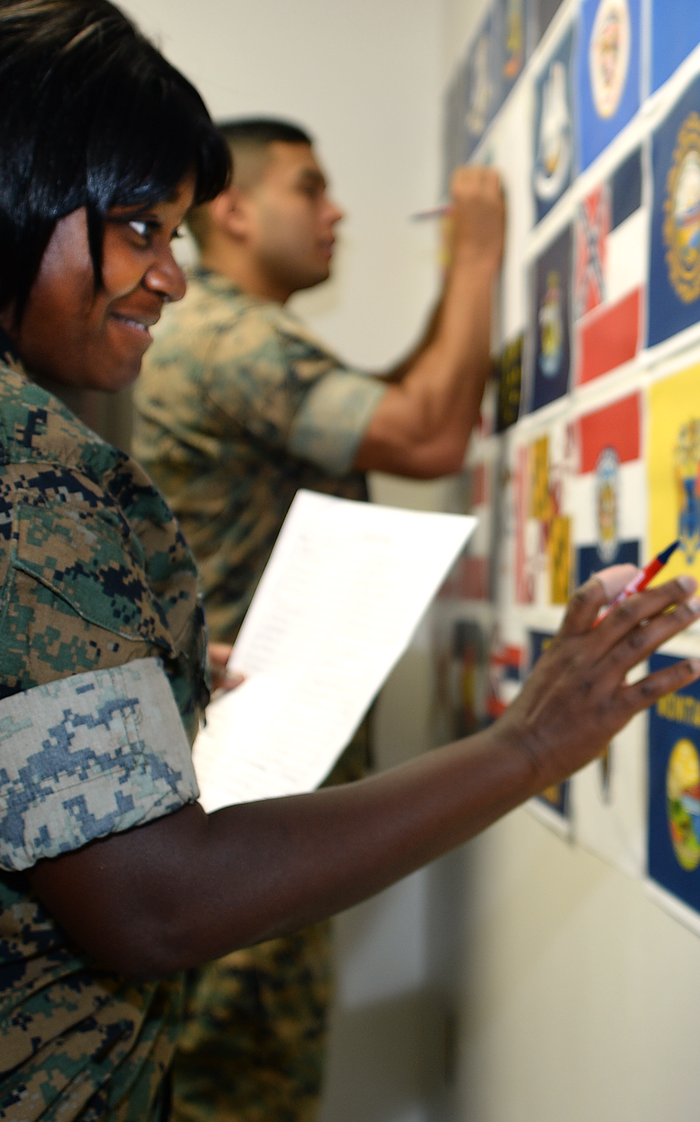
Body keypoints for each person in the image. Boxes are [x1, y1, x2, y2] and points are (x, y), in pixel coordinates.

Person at [0, 0, 700, 1122]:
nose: (171, 274)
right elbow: (155, 906)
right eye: (140, 228)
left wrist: (122, 679)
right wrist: (532, 742)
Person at [130, 120, 505, 1122]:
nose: (334, 211)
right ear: (235, 211)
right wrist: (477, 257)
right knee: (239, 1082)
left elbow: (388, 399)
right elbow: (425, 430)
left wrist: (455, 295)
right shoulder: (231, 338)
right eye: (310, 187)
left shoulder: (235, 335)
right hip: (245, 788)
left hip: (238, 785)